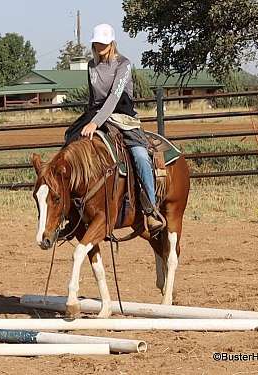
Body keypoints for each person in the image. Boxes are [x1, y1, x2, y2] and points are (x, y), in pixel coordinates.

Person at [65, 23, 163, 233]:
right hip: (97, 113)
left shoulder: (124, 64)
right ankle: (71, 211)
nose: (99, 45)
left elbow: (114, 97)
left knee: (140, 154)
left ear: (111, 43)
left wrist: (95, 123)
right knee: (71, 144)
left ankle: (151, 209)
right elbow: (94, 99)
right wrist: (89, 119)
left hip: (121, 114)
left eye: (103, 42)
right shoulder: (91, 66)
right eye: (96, 42)